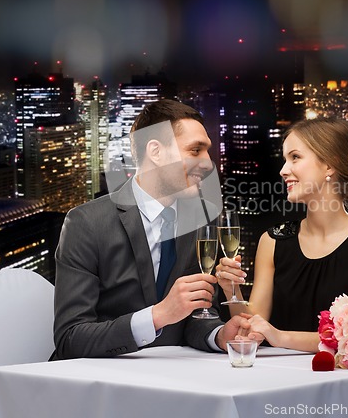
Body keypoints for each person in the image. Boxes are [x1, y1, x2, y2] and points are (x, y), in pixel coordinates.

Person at [53, 99, 250, 359]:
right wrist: (157, 316)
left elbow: (199, 314)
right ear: (155, 152)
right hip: (101, 383)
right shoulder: (86, 223)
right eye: (195, 150)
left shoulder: (202, 217)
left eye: (207, 151)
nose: (207, 163)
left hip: (175, 378)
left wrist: (218, 335)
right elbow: (70, 339)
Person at [215, 116, 348, 352]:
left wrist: (279, 337)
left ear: (330, 165)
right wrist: (232, 290)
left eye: (295, 157)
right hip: (277, 378)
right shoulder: (272, 241)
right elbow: (251, 328)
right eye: (285, 159)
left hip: (339, 381)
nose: (283, 170)